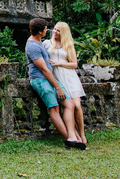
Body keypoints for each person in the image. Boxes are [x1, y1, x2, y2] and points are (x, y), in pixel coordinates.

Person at [25, 18, 85, 150]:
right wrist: (58, 87)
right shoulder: (33, 46)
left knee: (69, 104)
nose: (49, 30)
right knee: (54, 108)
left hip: (50, 78)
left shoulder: (40, 42)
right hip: (40, 80)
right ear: (40, 32)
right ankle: (70, 138)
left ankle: (72, 135)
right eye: (46, 29)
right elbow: (44, 69)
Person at [44, 22, 87, 145]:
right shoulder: (47, 44)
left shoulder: (68, 45)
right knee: (68, 105)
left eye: (58, 31)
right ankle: (74, 135)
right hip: (56, 77)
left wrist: (59, 63)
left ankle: (82, 134)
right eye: (55, 30)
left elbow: (74, 64)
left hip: (69, 76)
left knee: (77, 106)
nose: (55, 32)